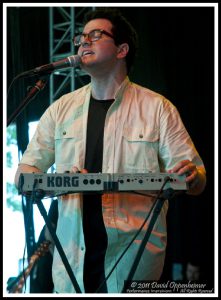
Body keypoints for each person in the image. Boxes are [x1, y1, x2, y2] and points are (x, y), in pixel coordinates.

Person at [14, 8, 206, 294]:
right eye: (81, 37)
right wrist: (57, 184)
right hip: (70, 265)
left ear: (122, 49)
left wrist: (191, 174)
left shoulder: (158, 109)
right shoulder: (60, 110)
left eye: (95, 35)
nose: (83, 42)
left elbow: (197, 178)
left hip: (136, 263)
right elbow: (24, 174)